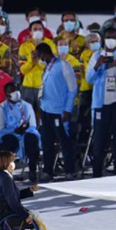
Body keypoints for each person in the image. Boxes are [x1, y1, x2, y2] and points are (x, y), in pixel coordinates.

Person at [86, 27, 116, 178]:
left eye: (113, 37)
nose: (111, 40)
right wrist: (97, 65)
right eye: (108, 37)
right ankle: (97, 173)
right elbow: (89, 79)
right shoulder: (96, 56)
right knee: (99, 140)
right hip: (101, 105)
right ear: (103, 39)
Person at [37, 43, 78, 182]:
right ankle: (48, 171)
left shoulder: (63, 65)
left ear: (44, 54)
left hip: (59, 111)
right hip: (46, 110)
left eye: (39, 56)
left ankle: (70, 171)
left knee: (64, 142)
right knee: (47, 142)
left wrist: (67, 110)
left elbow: (72, 89)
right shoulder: (48, 67)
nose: (39, 59)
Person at [0, 82, 40, 183]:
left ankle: (32, 171)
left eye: (16, 90)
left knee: (32, 138)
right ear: (7, 94)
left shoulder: (26, 105)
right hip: (10, 133)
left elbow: (33, 124)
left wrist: (25, 129)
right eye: (12, 91)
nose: (16, 93)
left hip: (26, 132)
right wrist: (14, 130)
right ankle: (5, 172)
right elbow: (1, 128)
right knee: (9, 141)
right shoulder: (1, 108)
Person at [19, 20, 57, 113]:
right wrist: (32, 62)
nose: (37, 31)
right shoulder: (24, 46)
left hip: (43, 85)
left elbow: (52, 66)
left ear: (43, 31)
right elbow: (23, 70)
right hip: (27, 85)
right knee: (27, 113)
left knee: (44, 112)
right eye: (35, 29)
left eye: (40, 29)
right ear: (30, 32)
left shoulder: (50, 45)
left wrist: (38, 62)